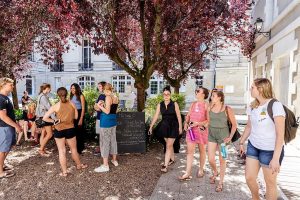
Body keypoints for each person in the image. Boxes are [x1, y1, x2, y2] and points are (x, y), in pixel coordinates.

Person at [239, 78, 285, 200]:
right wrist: (241, 141)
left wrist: (275, 158)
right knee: (249, 177)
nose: (250, 89)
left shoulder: (275, 105)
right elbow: (249, 126)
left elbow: (280, 134)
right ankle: (256, 198)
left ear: (261, 89)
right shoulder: (252, 106)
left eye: (252, 87)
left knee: (270, 183)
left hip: (270, 150)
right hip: (253, 146)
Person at [43, 87, 87, 177]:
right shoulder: (72, 103)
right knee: (73, 149)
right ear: (67, 94)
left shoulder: (55, 106)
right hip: (70, 129)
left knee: (61, 151)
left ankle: (64, 172)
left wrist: (55, 121)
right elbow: (75, 117)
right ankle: (79, 165)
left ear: (58, 95)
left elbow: (45, 118)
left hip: (59, 130)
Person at [207, 90, 237, 192]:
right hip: (211, 135)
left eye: (214, 96)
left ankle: (220, 182)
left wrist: (230, 137)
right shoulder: (209, 107)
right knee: (210, 159)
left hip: (223, 137)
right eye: (211, 96)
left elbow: (234, 125)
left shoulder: (227, 109)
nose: (211, 98)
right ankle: (215, 172)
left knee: (222, 159)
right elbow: (208, 121)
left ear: (220, 97)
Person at [149, 86, 183, 173]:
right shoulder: (160, 105)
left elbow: (179, 116)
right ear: (162, 95)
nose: (166, 96)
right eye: (164, 94)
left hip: (173, 126)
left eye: (168, 94)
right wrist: (151, 126)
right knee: (169, 144)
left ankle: (165, 165)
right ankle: (172, 159)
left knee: (168, 145)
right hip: (164, 126)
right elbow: (156, 116)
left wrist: (180, 127)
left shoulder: (174, 104)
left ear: (170, 95)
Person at [179, 86, 209, 180]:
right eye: (196, 91)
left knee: (202, 151)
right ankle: (187, 172)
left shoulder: (206, 104)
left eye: (198, 91)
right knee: (189, 152)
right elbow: (188, 116)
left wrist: (198, 123)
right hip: (191, 130)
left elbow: (209, 120)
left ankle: (201, 169)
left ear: (203, 94)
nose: (196, 92)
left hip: (201, 131)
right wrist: (185, 123)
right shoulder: (193, 104)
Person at [94, 83, 119, 173]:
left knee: (105, 142)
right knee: (113, 140)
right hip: (113, 121)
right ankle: (114, 160)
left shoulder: (108, 97)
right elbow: (114, 110)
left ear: (105, 89)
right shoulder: (115, 97)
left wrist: (100, 106)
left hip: (106, 121)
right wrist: (103, 105)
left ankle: (105, 165)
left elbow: (107, 111)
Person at [0, 78, 22, 178]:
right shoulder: (1, 99)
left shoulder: (6, 98)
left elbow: (9, 114)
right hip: (4, 127)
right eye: (10, 85)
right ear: (3, 85)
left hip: (9, 127)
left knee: (8, 147)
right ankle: (0, 172)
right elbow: (3, 116)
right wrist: (16, 125)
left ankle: (2, 164)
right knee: (3, 149)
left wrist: (15, 122)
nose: (12, 86)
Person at [36, 83, 54, 156]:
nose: (50, 90)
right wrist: (54, 118)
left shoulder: (42, 95)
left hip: (42, 116)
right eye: (49, 88)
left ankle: (43, 149)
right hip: (45, 117)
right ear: (45, 88)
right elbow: (49, 108)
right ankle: (41, 149)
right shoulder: (43, 97)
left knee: (44, 133)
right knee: (49, 134)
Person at [70, 83, 86, 154]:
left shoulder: (81, 96)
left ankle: (80, 149)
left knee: (79, 132)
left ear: (77, 89)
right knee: (73, 132)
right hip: (72, 114)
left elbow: (83, 108)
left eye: (73, 88)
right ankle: (74, 148)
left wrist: (81, 118)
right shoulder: (71, 96)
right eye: (71, 88)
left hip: (79, 114)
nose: (72, 90)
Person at [94, 81, 106, 156]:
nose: (98, 88)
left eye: (100, 86)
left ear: (104, 87)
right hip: (103, 117)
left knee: (102, 135)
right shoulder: (107, 96)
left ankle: (102, 150)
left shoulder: (102, 96)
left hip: (101, 117)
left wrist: (95, 106)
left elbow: (98, 108)